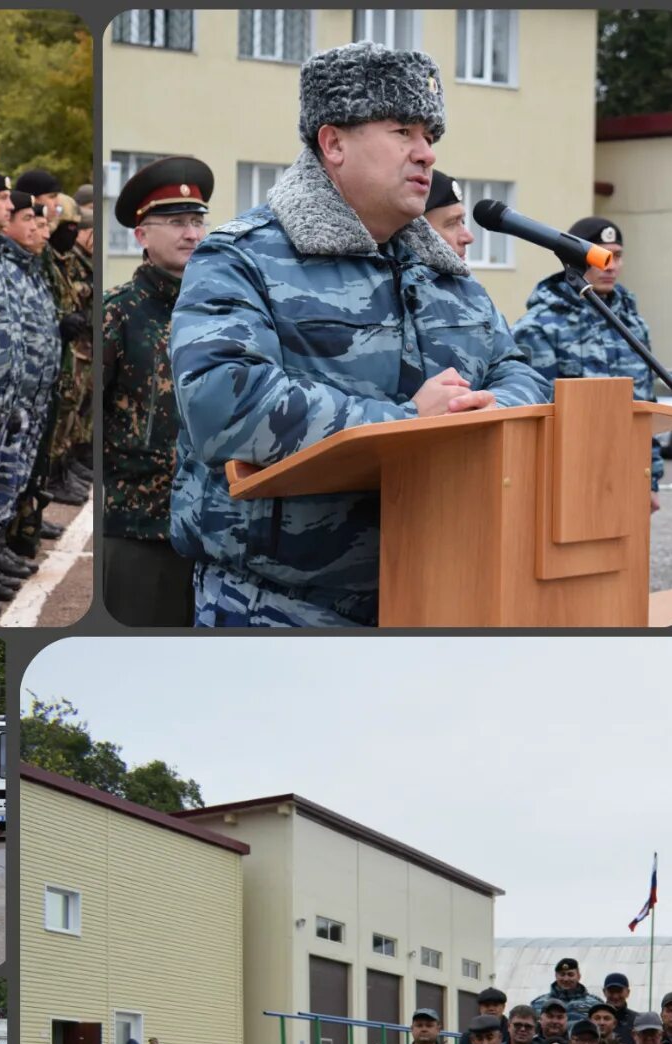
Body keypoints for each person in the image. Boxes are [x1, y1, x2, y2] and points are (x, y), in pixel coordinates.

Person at [171, 42, 547, 626]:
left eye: (430, 136)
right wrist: (405, 425)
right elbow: (222, 400)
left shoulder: (446, 274)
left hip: (443, 587)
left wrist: (490, 408)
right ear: (334, 143)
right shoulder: (242, 257)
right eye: (402, 131)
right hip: (279, 609)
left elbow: (519, 369)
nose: (426, 154)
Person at [98, 153, 210, 619]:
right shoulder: (116, 315)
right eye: (176, 222)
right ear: (142, 234)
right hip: (141, 529)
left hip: (214, 527)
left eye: (197, 221)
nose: (192, 233)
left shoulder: (220, 312)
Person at [512, 214, 666, 514]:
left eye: (617, 256)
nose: (611, 265)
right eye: (600, 255)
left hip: (627, 479)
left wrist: (651, 479)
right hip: (564, 485)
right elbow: (534, 421)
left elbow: (646, 409)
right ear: (574, 259)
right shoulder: (539, 328)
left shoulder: (633, 325)